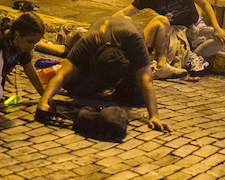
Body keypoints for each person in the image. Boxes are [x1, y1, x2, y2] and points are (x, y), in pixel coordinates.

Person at [37, 16, 171, 132]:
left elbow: (146, 79)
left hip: (126, 53)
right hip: (98, 53)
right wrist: (44, 100)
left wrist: (154, 116)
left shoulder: (135, 42)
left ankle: (119, 87)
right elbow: (62, 75)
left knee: (137, 98)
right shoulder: (89, 41)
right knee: (79, 89)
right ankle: (98, 83)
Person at [114, 0, 225, 77]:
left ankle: (193, 54)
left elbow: (205, 4)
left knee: (222, 40)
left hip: (195, 26)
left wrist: (216, 27)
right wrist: (106, 24)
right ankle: (191, 57)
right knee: (174, 48)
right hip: (175, 31)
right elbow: (126, 11)